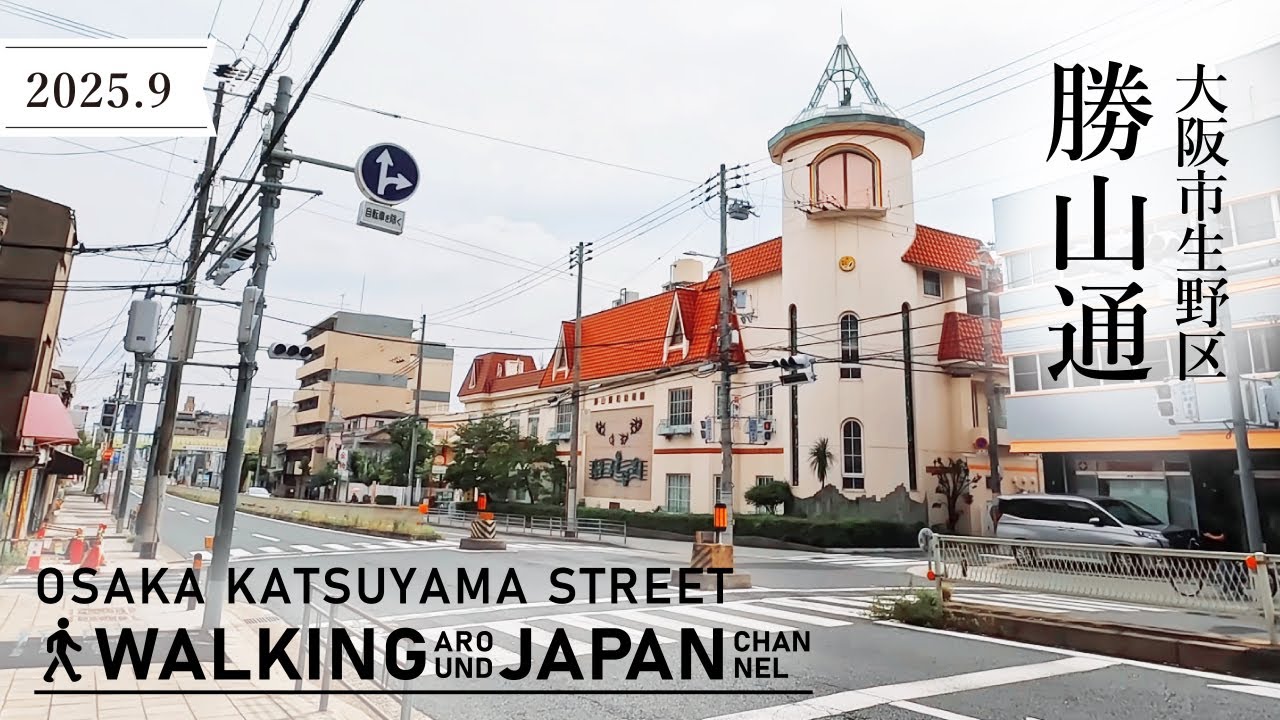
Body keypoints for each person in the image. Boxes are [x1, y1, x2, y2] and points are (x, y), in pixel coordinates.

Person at [44, 618, 82, 682]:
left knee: (55, 663)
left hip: (60, 652)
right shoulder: (64, 633)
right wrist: (78, 648)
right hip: (61, 652)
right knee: (66, 664)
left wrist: (50, 649)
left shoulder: (60, 633)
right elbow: (70, 643)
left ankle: (47, 676)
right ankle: (73, 677)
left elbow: (50, 639)